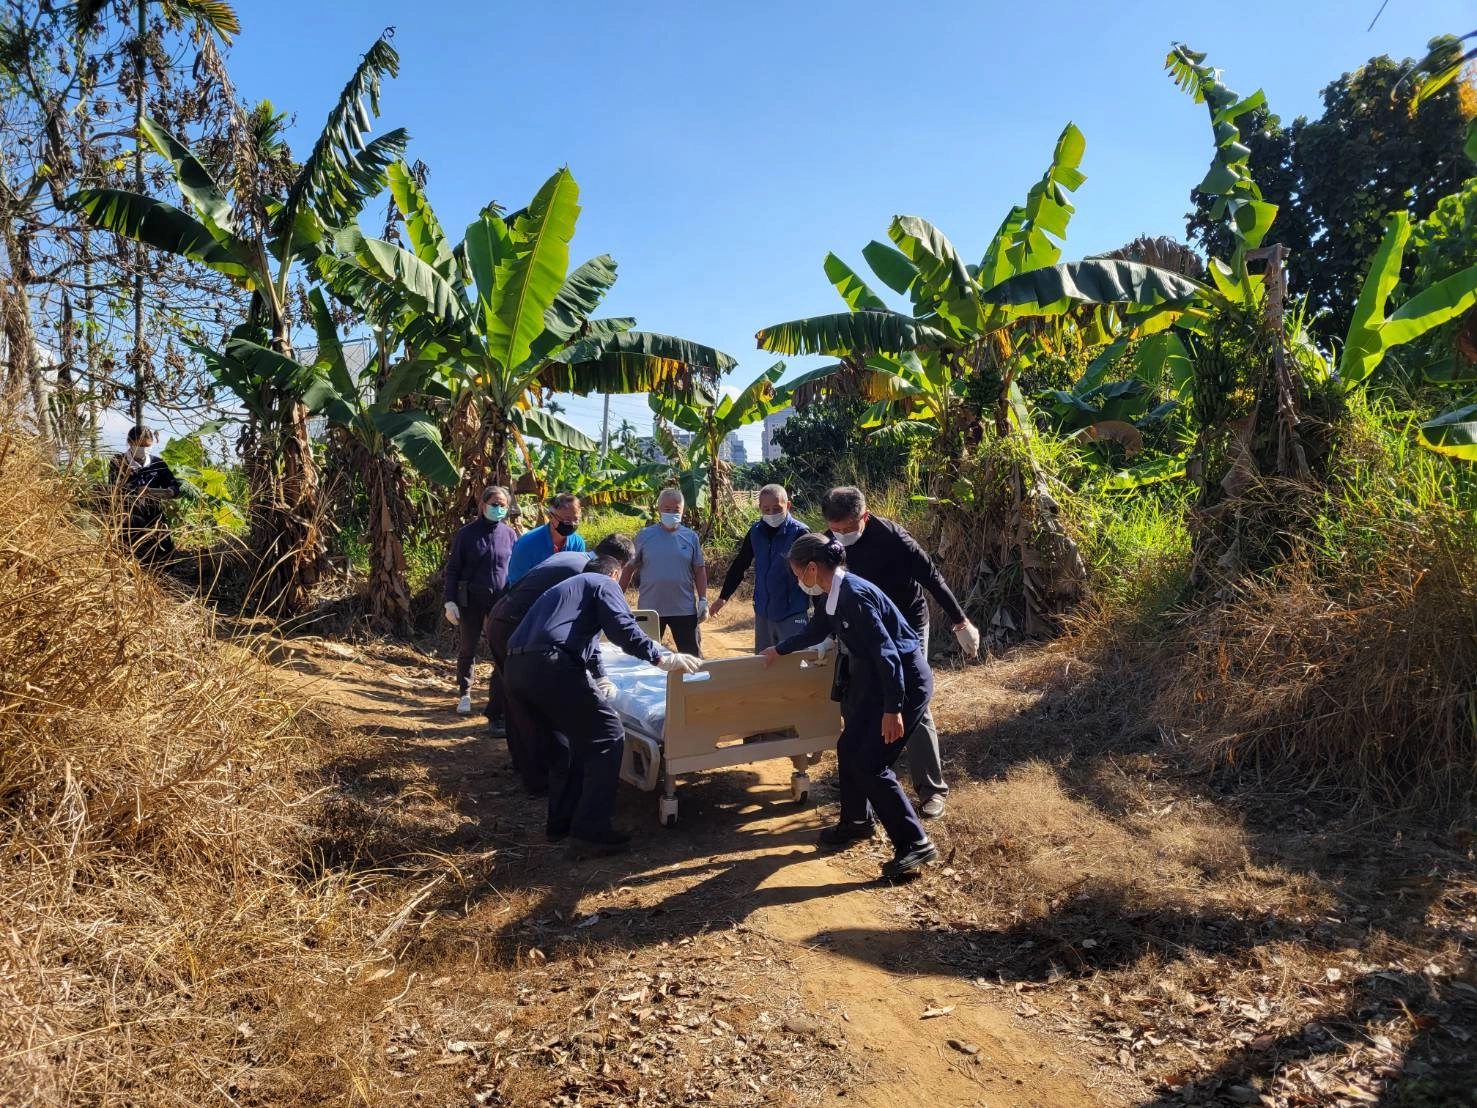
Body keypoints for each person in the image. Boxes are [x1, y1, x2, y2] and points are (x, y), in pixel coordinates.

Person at [761, 534, 937, 880]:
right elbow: (816, 630)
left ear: (812, 568)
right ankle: (856, 821)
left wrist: (893, 709)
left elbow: (887, 653)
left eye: (798, 574)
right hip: (875, 681)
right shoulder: (833, 594)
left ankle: (914, 843)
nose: (799, 581)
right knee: (848, 747)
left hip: (904, 683)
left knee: (872, 764)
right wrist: (779, 650)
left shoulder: (854, 596)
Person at [504, 557, 701, 854]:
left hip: (516, 668)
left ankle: (561, 824)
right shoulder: (604, 583)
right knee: (607, 735)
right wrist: (660, 656)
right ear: (616, 572)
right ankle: (591, 830)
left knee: (568, 746)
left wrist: (600, 677)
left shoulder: (568, 592)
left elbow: (590, 644)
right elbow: (623, 627)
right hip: (551, 664)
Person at [820, 486, 981, 821]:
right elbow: (823, 587)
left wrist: (960, 621)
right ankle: (861, 782)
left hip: (906, 624)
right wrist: (823, 631)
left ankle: (932, 789)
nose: (841, 537)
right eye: (835, 530)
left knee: (912, 701)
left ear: (864, 516)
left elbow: (933, 579)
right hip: (863, 626)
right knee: (857, 696)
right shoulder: (829, 542)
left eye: (848, 529)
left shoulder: (894, 539)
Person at [486, 532, 636, 795]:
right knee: (536, 702)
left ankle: (528, 768)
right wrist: (599, 674)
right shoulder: (585, 574)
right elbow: (588, 627)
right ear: (617, 564)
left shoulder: (573, 558)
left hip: (505, 620)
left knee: (517, 699)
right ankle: (542, 777)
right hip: (514, 626)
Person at [443, 486, 517, 717]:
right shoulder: (466, 534)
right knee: (468, 647)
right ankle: (465, 693)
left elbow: (514, 569)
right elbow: (453, 569)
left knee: (503, 647)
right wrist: (450, 601)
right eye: (494, 504)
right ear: (483, 505)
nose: (499, 508)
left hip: (501, 600)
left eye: (503, 505)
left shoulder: (510, 534)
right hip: (471, 599)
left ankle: (501, 696)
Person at [710, 483, 811, 651]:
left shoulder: (800, 533)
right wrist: (723, 597)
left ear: (788, 505)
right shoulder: (755, 532)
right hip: (763, 613)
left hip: (793, 612)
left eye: (777, 509)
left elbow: (814, 573)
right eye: (766, 509)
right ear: (760, 508)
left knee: (794, 668)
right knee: (764, 666)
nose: (771, 513)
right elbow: (740, 564)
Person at [621, 488, 708, 657]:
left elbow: (699, 569)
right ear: (659, 509)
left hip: (684, 609)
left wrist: (703, 599)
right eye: (667, 509)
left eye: (676, 510)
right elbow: (629, 568)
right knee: (645, 657)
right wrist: (617, 596)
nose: (672, 513)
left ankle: (693, 684)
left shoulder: (690, 537)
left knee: (692, 657)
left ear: (682, 511)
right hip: (651, 609)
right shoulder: (645, 536)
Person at [109, 425, 182, 563]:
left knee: (164, 555)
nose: (144, 449)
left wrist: (171, 491)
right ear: (131, 442)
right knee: (132, 553)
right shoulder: (118, 462)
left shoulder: (157, 463)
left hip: (154, 514)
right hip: (128, 515)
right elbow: (113, 488)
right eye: (140, 445)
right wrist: (134, 490)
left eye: (147, 445)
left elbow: (173, 483)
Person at [506, 493, 585, 584]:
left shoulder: (577, 543)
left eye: (576, 519)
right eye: (566, 520)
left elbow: (577, 577)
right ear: (550, 516)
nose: (572, 524)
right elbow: (515, 583)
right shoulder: (527, 544)